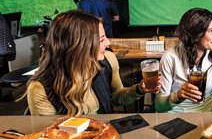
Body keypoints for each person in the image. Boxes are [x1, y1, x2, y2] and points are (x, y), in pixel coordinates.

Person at [25, 10, 161, 116]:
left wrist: (140, 89)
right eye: (102, 39)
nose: (108, 43)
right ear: (79, 46)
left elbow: (117, 96)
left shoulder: (108, 60)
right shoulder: (40, 89)